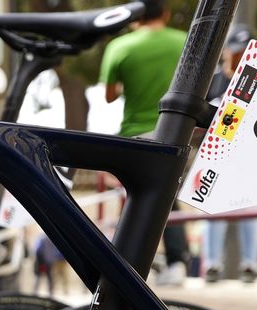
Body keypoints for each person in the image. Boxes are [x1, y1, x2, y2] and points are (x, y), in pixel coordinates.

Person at [100, 0, 189, 286]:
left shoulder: (120, 47)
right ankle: (177, 264)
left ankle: (124, 266)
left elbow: (110, 95)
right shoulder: (184, 42)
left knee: (131, 199)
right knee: (169, 201)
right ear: (166, 13)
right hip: (175, 132)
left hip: (134, 134)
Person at [202, 26, 257, 283]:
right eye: (237, 51)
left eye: (246, 50)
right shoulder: (213, 80)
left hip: (249, 156)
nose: (241, 56)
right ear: (227, 52)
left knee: (250, 209)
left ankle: (251, 264)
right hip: (218, 154)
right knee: (213, 211)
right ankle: (212, 265)